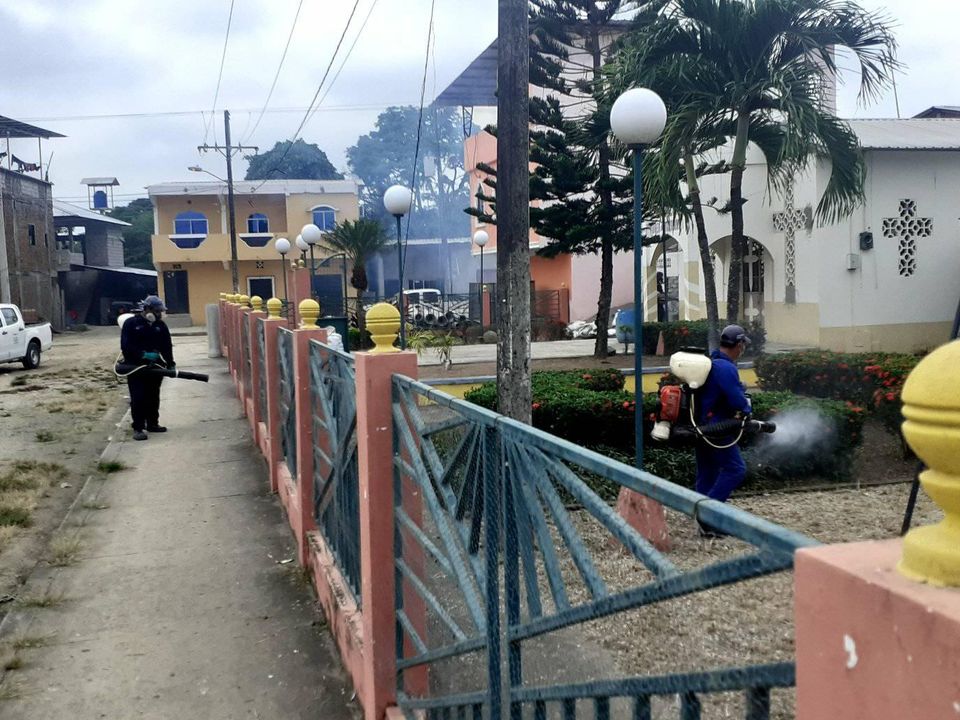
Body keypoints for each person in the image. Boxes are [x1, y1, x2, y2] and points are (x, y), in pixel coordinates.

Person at [694, 324, 752, 512]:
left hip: (700, 426)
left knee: (707, 473)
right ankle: (709, 514)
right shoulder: (726, 368)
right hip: (717, 428)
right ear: (739, 344)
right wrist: (746, 408)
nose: (743, 349)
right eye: (743, 345)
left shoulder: (712, 362)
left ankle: (700, 516)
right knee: (735, 469)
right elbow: (737, 401)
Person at [121, 295, 174, 441]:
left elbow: (166, 346)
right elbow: (126, 346)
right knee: (138, 397)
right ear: (147, 309)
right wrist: (142, 354)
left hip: (154, 367)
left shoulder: (160, 326)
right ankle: (138, 428)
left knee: (153, 396)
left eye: (160, 311)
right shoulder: (131, 324)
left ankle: (152, 423)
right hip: (135, 367)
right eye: (157, 311)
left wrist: (170, 363)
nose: (159, 314)